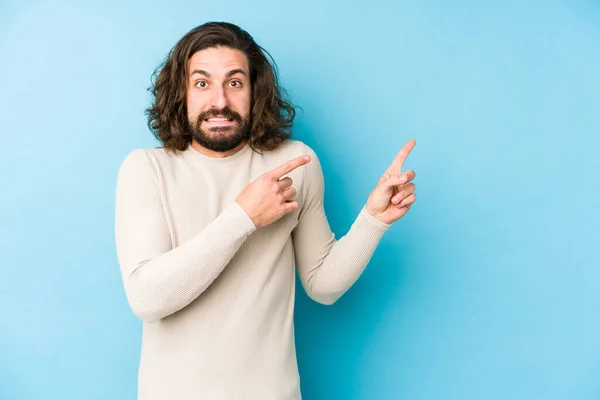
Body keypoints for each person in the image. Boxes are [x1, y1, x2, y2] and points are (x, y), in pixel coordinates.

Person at [114, 21, 417, 400]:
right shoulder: (147, 169)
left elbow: (322, 284)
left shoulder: (295, 163)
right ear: (182, 93)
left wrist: (374, 220)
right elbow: (147, 298)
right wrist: (243, 217)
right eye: (202, 83)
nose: (220, 101)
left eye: (235, 82)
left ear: (255, 90)